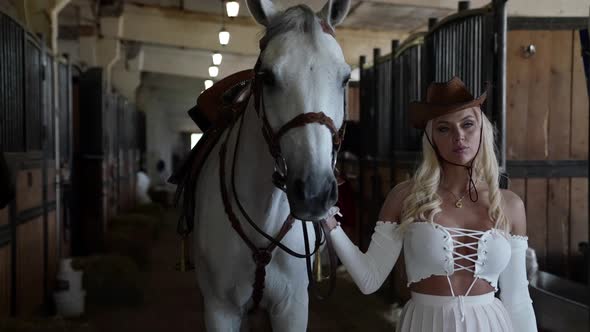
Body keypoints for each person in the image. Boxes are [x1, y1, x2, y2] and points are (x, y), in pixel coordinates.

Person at [325, 77, 537, 331]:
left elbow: (517, 300)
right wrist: (330, 225)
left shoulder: (510, 204)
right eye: (444, 128)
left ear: (483, 129)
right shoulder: (405, 197)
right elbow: (369, 279)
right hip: (426, 323)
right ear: (431, 137)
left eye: (468, 124)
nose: (459, 136)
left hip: (491, 324)